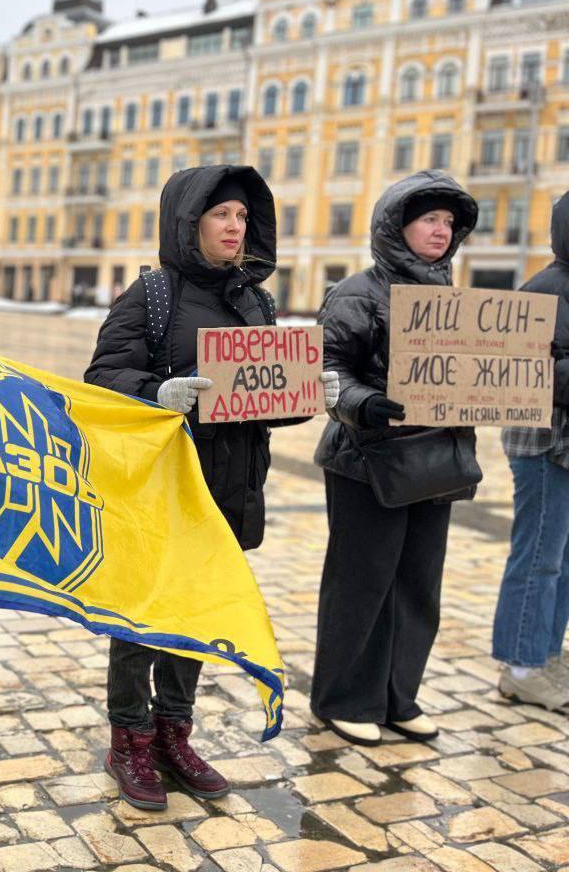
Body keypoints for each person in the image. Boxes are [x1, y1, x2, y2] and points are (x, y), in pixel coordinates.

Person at [85, 165, 339, 811]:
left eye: (243, 217)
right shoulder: (153, 295)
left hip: (231, 485)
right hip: (164, 484)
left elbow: (261, 397)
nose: (235, 227)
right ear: (188, 222)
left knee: (197, 614)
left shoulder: (256, 301)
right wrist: (156, 391)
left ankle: (175, 732)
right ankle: (130, 740)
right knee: (142, 617)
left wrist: (308, 396)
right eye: (222, 214)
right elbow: (102, 376)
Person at [312, 170, 480, 746]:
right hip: (369, 459)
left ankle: (396, 695)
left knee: (417, 586)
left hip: (437, 460)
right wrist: (367, 404)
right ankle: (343, 697)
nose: (441, 231)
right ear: (397, 225)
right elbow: (326, 368)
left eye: (449, 223)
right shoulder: (357, 292)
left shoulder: (452, 300)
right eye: (430, 219)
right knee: (362, 584)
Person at [493, 192, 569, 712]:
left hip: (562, 444)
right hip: (543, 443)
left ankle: (545, 655)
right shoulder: (547, 289)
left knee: (561, 563)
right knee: (540, 558)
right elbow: (528, 373)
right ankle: (521, 667)